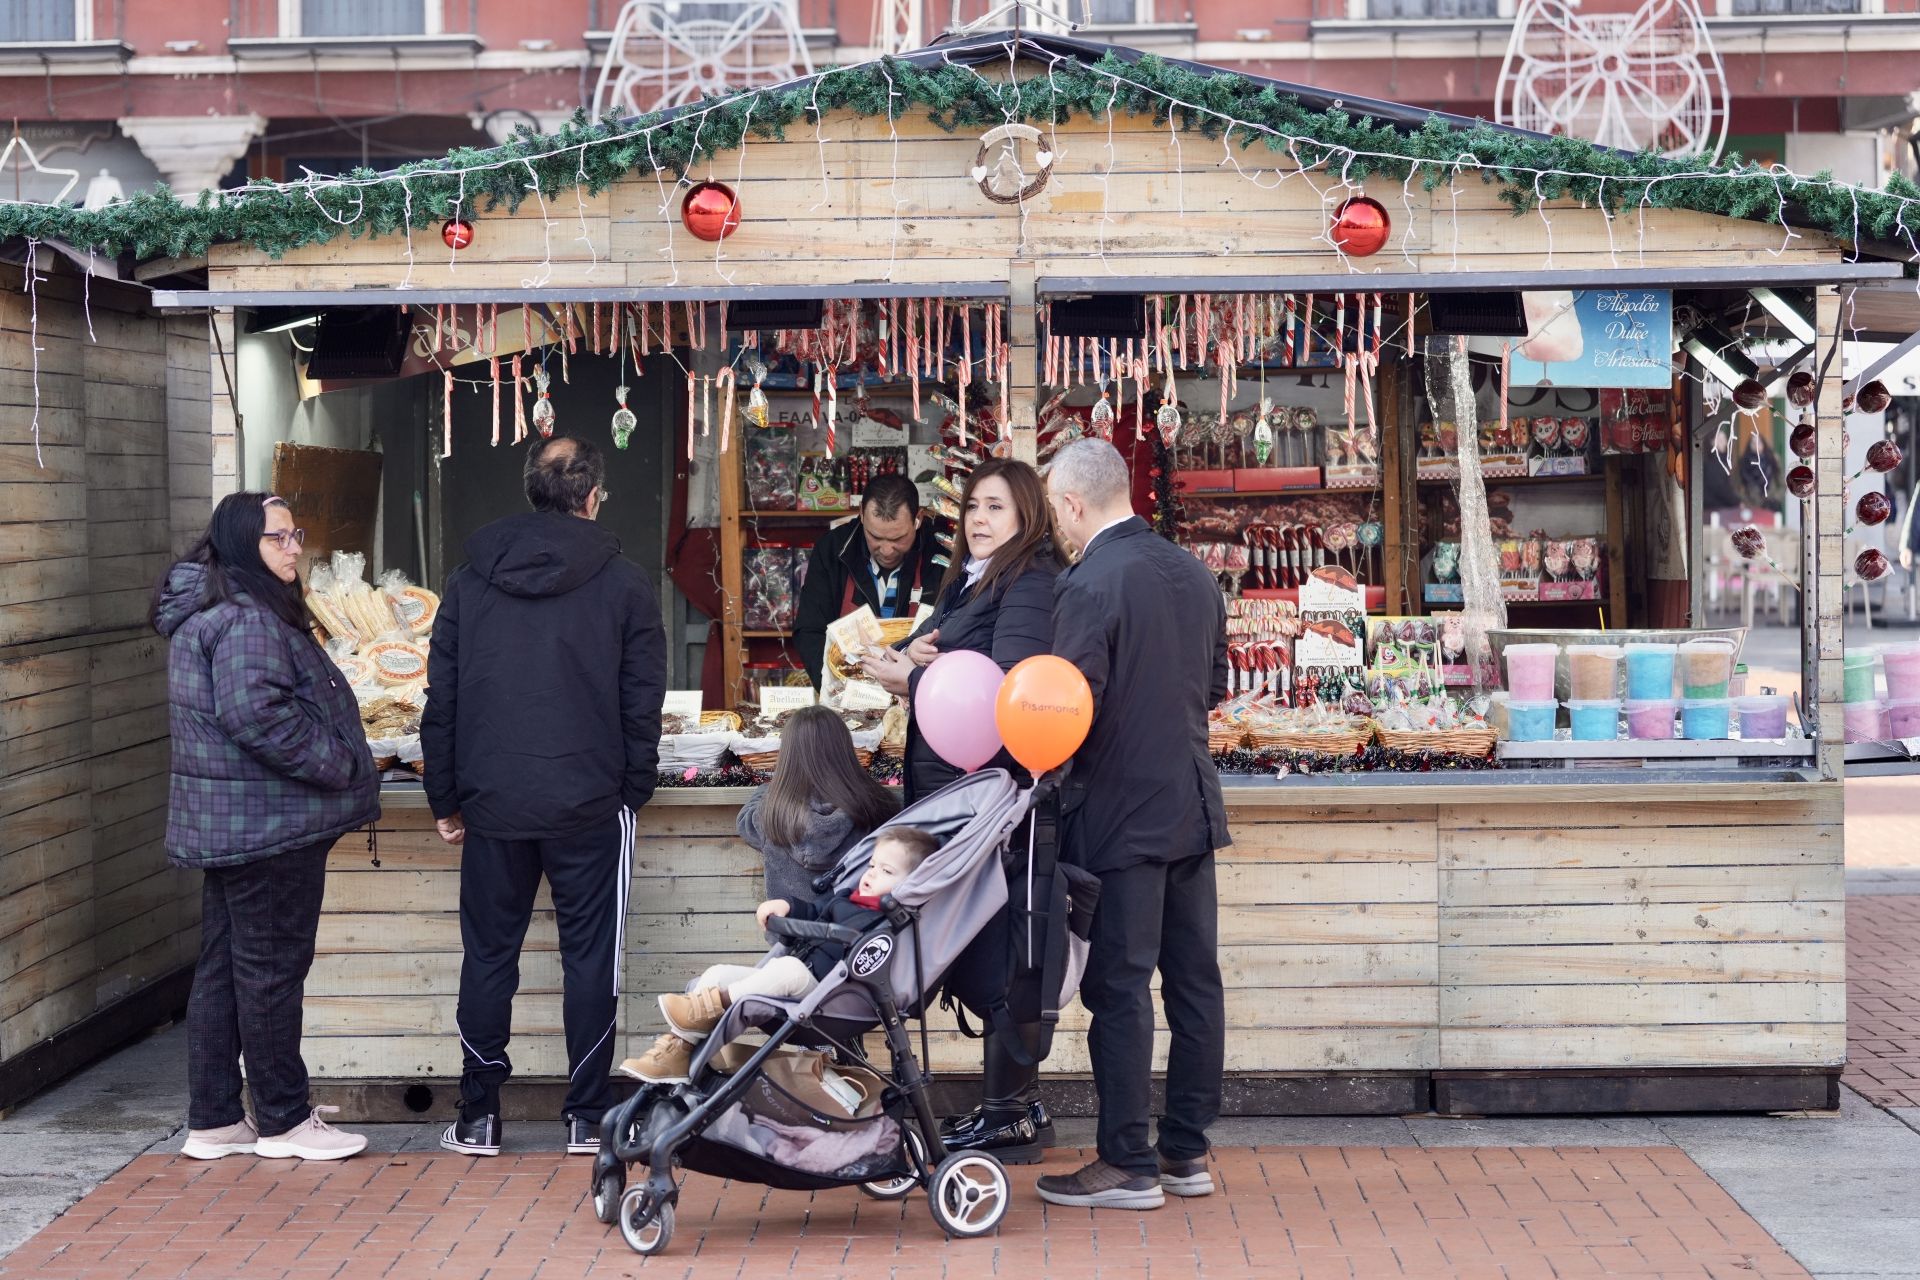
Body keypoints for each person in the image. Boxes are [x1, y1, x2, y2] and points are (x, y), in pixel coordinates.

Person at [423, 435, 667, 1158]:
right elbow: (641, 700)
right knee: (590, 956)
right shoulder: (624, 582)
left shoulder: (470, 580)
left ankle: (478, 1115)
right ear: (592, 497)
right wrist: (634, 787)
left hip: (493, 800)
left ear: (534, 492)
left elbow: (444, 699)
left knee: (489, 955)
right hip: (590, 800)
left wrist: (444, 795)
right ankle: (587, 1118)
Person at [152, 492, 379, 1162]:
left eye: (294, 534)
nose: (293, 548)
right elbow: (257, 717)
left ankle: (217, 1118)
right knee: (272, 972)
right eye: (276, 538)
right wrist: (338, 762)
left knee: (226, 971)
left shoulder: (214, 611)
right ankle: (282, 1118)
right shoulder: (246, 620)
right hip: (268, 825)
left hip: (236, 823)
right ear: (240, 545)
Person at [1036, 438, 1229, 1211]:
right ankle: (1186, 1153)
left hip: (1118, 814)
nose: (1058, 524)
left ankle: (1126, 1162)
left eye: (1055, 509)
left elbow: (1065, 711)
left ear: (1074, 506)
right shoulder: (1193, 573)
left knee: (1119, 987)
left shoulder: (1087, 584)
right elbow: (1213, 686)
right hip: (1191, 801)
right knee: (1195, 986)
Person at [855, 457, 1061, 1163]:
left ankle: (1011, 1111)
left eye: (997, 507)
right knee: (971, 946)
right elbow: (951, 663)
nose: (979, 519)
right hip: (954, 799)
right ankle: (1013, 1107)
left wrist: (912, 675)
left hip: (994, 803)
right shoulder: (970, 579)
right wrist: (914, 655)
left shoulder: (1030, 579)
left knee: (999, 953)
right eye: (973, 505)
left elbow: (1007, 684)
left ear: (1028, 514)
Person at [621, 826, 940, 1083]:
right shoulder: (846, 899)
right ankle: (677, 1050)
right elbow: (813, 910)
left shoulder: (888, 924)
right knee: (719, 973)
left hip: (830, 999)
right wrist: (785, 906)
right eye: (871, 866)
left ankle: (701, 1009)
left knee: (787, 967)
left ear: (910, 885)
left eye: (885, 871)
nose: (870, 874)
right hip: (794, 985)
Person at [736, 706, 900, 905]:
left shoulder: (771, 810)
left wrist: (766, 790)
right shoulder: (877, 805)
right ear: (844, 748)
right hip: (858, 929)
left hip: (791, 930)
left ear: (788, 753)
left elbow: (745, 821)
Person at [793, 472, 943, 688]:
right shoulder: (832, 550)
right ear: (862, 514)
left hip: (918, 687)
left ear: (918, 518)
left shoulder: (941, 553)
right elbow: (810, 631)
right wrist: (835, 689)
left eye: (897, 539)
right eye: (875, 537)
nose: (886, 550)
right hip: (848, 687)